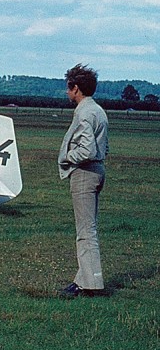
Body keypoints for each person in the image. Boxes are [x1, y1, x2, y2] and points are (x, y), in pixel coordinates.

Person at [58, 64, 109, 297]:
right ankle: (83, 280)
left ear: (76, 88)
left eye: (69, 89)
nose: (67, 93)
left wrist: (68, 157)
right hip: (98, 171)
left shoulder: (83, 112)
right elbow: (103, 146)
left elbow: (87, 149)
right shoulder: (98, 110)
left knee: (85, 231)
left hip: (84, 173)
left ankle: (92, 285)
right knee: (88, 228)